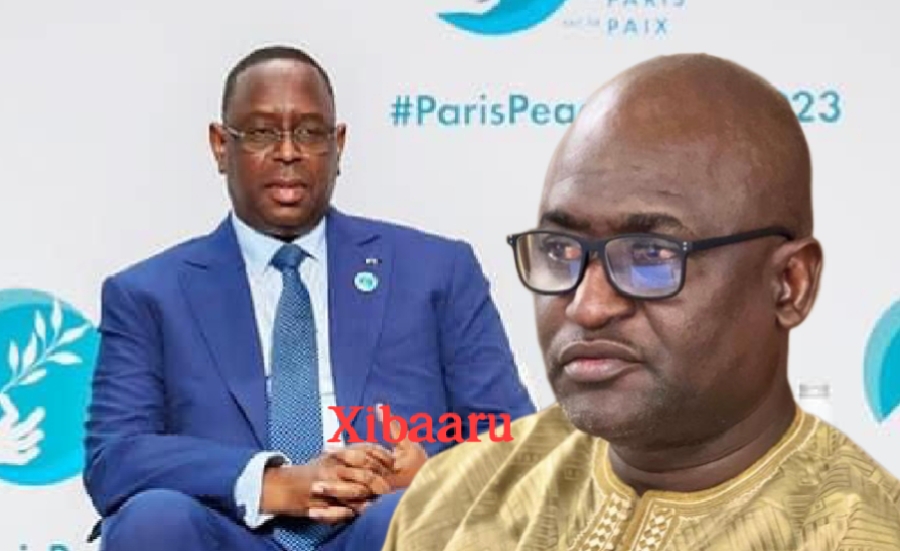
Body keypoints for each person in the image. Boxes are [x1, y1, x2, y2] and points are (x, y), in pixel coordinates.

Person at [382, 54, 900, 550]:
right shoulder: (453, 500)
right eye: (560, 250)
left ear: (789, 284)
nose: (587, 307)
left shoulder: (858, 535)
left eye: (651, 255)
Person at [82, 44, 535, 551]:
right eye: (260, 132)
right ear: (220, 145)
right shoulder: (149, 294)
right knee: (153, 517)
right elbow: (115, 458)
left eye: (310, 132)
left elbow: (516, 441)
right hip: (226, 532)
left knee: (416, 514)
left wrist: (434, 476)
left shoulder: (437, 271)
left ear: (337, 146)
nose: (288, 152)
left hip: (380, 525)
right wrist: (271, 482)